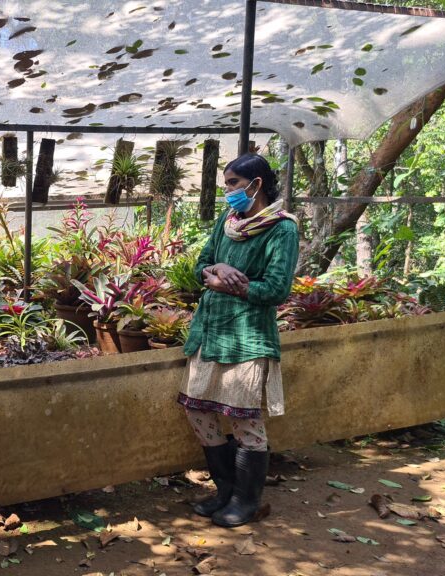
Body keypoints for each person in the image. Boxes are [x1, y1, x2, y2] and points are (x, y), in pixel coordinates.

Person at [178, 153, 300, 528]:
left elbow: (276, 289)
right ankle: (224, 491)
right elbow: (202, 262)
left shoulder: (282, 229)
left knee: (243, 420)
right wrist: (216, 269)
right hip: (210, 331)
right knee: (197, 409)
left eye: (233, 183)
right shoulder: (228, 221)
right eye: (227, 184)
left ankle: (247, 501)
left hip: (248, 337)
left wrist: (234, 285)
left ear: (256, 185)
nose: (228, 191)